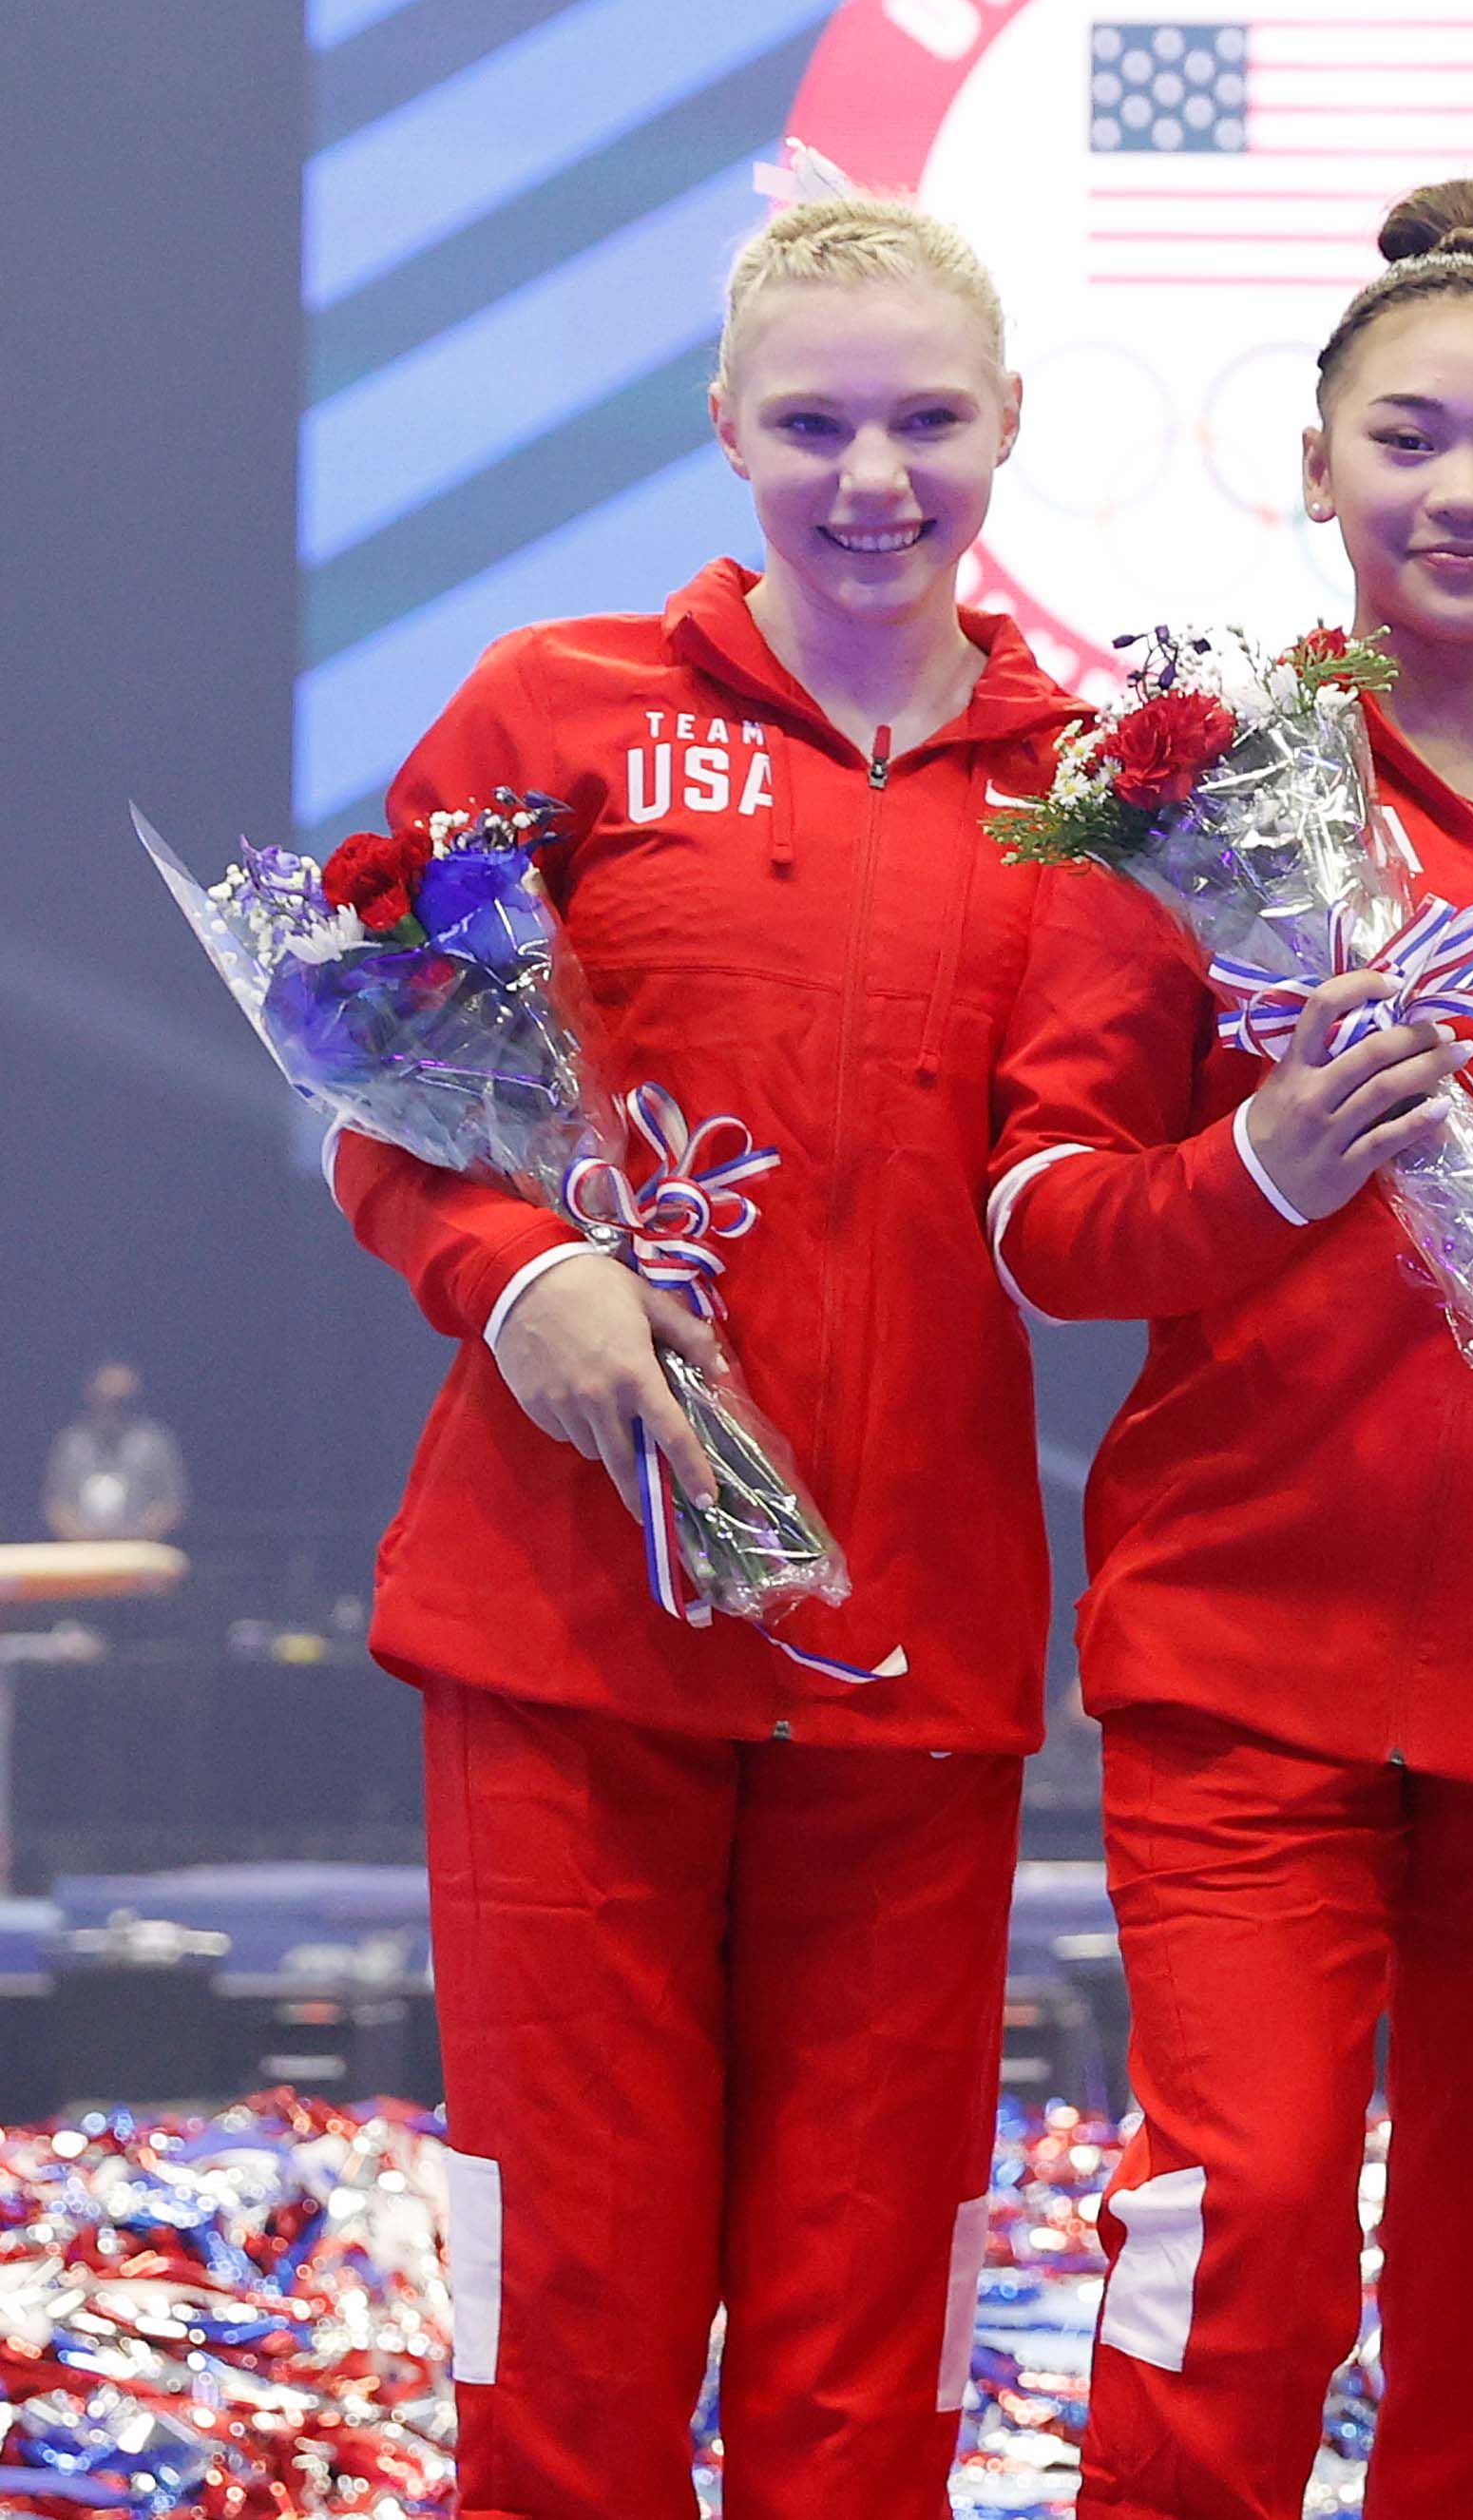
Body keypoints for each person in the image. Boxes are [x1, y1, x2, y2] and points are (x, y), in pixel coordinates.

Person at [986, 180, 1473, 2518]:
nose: (1463, 491)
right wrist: (1269, 1171)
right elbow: (1045, 1228)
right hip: (1245, 1661)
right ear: (1312, 469)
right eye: (1407, 439)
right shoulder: (1190, 796)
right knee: (1229, 2228)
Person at [334, 185, 1074, 2514]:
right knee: (567, 2325)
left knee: (870, 2366)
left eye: (927, 421)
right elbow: (383, 1103)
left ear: (1009, 427)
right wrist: (513, 1269)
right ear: (727, 431)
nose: (876, 477)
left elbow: (1106, 1184)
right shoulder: (561, 713)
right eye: (818, 423)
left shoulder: (1104, 787)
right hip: (566, 1644)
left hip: (909, 1664)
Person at [40, 1362, 184, 1542]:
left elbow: (170, 1505)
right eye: (107, 1400)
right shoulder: (72, 1446)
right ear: (92, 1397)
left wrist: (136, 1536)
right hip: (82, 1555)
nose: (113, 1409)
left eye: (121, 1402)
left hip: (140, 1554)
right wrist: (84, 1539)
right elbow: (57, 1506)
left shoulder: (153, 1444)